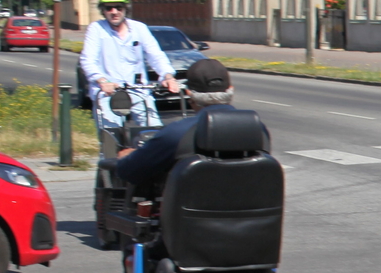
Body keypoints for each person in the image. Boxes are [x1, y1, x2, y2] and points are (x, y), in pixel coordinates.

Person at [109, 59, 266, 192]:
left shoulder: (177, 133)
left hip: (187, 225)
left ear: (189, 94)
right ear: (231, 90)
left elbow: (128, 172)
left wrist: (126, 158)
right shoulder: (258, 129)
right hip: (256, 223)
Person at [80, 0, 179, 144]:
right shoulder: (96, 29)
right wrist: (102, 80)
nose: (114, 12)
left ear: (126, 8)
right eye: (109, 8)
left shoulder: (139, 28)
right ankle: (112, 164)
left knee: (155, 135)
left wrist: (167, 76)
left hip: (138, 91)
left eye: (119, 7)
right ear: (103, 10)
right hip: (109, 93)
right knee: (111, 139)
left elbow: (155, 55)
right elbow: (88, 60)